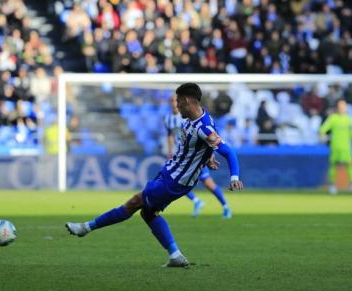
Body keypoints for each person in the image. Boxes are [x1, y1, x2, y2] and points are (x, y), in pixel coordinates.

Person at [66, 83, 243, 267]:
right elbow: (203, 145)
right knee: (148, 213)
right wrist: (208, 157)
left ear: (188, 101)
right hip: (170, 172)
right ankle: (175, 255)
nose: (176, 106)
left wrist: (234, 177)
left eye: (179, 102)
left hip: (176, 181)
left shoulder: (204, 126)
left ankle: (85, 228)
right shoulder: (195, 118)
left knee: (135, 202)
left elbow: (228, 151)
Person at [165, 94, 232, 218]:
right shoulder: (168, 118)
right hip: (181, 157)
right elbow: (169, 135)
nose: (173, 103)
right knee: (173, 180)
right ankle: (196, 201)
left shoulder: (186, 117)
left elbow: (204, 134)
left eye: (175, 101)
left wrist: (209, 153)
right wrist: (169, 152)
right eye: (171, 101)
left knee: (208, 184)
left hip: (196, 156)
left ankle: (225, 206)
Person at [319, 100, 352, 194]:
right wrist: (322, 136)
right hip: (335, 146)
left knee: (349, 165)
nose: (342, 108)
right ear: (337, 108)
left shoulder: (348, 119)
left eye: (344, 106)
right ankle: (332, 186)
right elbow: (323, 129)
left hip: (346, 147)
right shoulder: (333, 118)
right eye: (341, 106)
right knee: (333, 166)